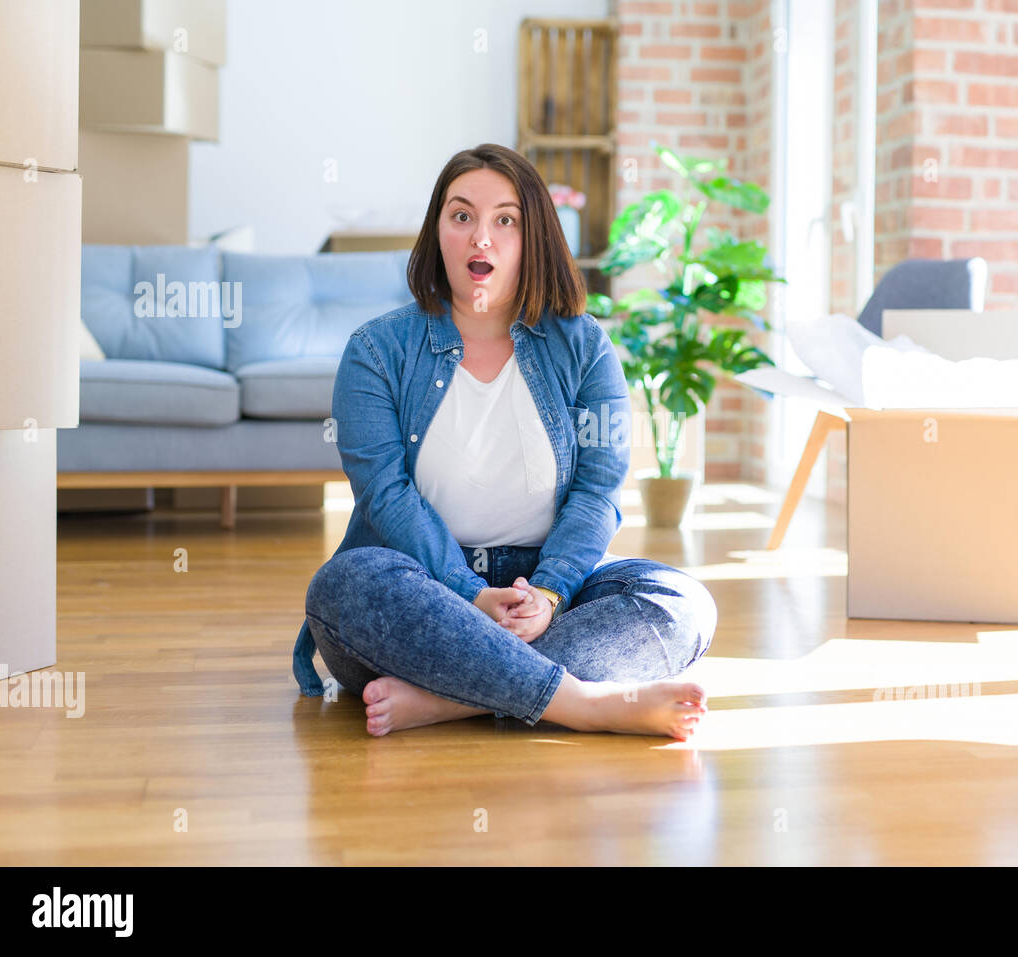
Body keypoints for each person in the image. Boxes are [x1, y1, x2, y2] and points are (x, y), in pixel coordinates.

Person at [291, 143, 718, 740]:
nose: (480, 237)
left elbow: (597, 491)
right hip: (424, 589)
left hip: (542, 587)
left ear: (531, 235)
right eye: (461, 216)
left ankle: (448, 701)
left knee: (683, 603)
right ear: (437, 231)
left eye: (505, 220)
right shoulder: (375, 351)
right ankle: (583, 703)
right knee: (343, 586)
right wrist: (468, 595)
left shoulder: (584, 346)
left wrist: (548, 591)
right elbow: (385, 497)